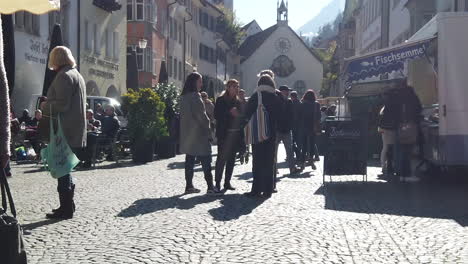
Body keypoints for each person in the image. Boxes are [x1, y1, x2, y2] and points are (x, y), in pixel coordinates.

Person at [41, 46, 87, 219]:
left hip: (64, 130)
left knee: (62, 169)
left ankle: (66, 208)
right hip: (74, 129)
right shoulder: (77, 75)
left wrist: (46, 105)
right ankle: (68, 205)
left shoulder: (63, 76)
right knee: (66, 169)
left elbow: (62, 104)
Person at [242, 74, 281, 198]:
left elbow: (247, 113)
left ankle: (256, 190)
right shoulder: (275, 97)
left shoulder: (256, 96)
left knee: (257, 161)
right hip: (271, 134)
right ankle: (268, 190)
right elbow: (281, 115)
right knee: (269, 162)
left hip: (258, 133)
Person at [179, 72, 218, 194]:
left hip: (187, 134)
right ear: (194, 82)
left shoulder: (184, 97)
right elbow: (202, 117)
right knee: (206, 160)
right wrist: (209, 133)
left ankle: (189, 186)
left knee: (189, 160)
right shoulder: (195, 97)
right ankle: (211, 187)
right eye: (200, 81)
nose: (202, 84)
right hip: (199, 134)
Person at [214, 79, 242, 191]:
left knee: (231, 160)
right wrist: (229, 113)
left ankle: (227, 182)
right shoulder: (221, 100)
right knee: (221, 160)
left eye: (237, 86)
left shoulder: (238, 101)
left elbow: (241, 118)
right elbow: (216, 115)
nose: (236, 88)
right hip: (223, 135)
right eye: (234, 86)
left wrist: (238, 115)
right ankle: (217, 183)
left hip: (234, 135)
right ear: (228, 87)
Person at [394, 86, 422, 182]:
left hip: (400, 127)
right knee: (408, 152)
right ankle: (407, 174)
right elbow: (419, 110)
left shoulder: (399, 99)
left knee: (401, 151)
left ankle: (401, 174)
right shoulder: (413, 99)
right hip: (411, 127)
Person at [276, 85, 301, 175]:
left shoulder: (289, 101)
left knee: (290, 151)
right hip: (277, 129)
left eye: (288, 91)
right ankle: (274, 169)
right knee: (274, 151)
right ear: (281, 91)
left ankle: (292, 168)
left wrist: (291, 125)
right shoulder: (276, 100)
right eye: (286, 91)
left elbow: (292, 115)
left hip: (286, 130)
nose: (288, 93)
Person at [297, 90, 320, 171]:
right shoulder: (316, 104)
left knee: (304, 146)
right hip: (312, 127)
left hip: (303, 127)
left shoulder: (302, 104)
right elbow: (318, 117)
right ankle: (311, 161)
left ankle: (302, 163)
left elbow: (299, 116)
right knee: (312, 144)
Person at [378, 91, 398, 178]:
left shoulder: (384, 107)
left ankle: (383, 166)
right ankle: (389, 165)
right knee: (390, 147)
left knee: (385, 147)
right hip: (391, 129)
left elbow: (380, 118)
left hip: (384, 129)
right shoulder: (392, 106)